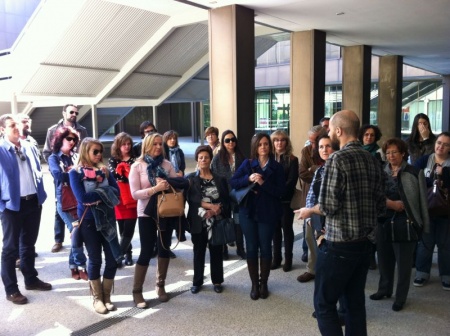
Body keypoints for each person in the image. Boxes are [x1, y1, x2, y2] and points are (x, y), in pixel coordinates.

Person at [296, 110, 386, 335]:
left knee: (324, 304)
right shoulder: (373, 159)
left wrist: (309, 210)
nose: (328, 133)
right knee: (354, 303)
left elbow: (327, 206)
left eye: (329, 130)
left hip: (339, 245)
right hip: (365, 244)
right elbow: (381, 205)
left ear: (338, 131)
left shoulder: (337, 159)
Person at [370, 138, 429, 312]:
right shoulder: (382, 171)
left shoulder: (413, 172)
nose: (391, 156)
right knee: (384, 259)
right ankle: (384, 289)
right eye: (388, 153)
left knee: (403, 264)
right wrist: (389, 204)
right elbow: (375, 194)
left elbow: (422, 202)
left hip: (406, 221)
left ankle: (400, 297)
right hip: (383, 220)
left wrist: (424, 226)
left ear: (403, 153)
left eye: (394, 152)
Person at [129, 132, 187, 308]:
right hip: (146, 213)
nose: (157, 147)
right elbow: (135, 194)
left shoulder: (167, 164)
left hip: (165, 211)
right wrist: (155, 188)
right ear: (147, 145)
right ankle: (137, 292)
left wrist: (169, 183)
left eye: (160, 144)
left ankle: (160, 286)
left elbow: (179, 184)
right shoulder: (137, 166)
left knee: (164, 248)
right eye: (154, 144)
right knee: (146, 250)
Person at [0, 114, 51, 305]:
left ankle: (31, 279)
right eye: (11, 125)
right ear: (2, 130)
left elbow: (37, 173)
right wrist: (2, 206)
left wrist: (41, 197)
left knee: (28, 244)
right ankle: (11, 289)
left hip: (32, 203)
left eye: (17, 124)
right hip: (12, 206)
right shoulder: (1, 150)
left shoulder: (29, 146)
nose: (17, 128)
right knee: (10, 249)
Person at [230, 133, 285, 300]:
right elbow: (233, 182)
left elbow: (280, 192)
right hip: (248, 212)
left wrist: (263, 183)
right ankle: (254, 284)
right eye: (260, 144)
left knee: (266, 247)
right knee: (252, 248)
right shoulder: (248, 164)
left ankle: (264, 283)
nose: (263, 147)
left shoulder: (277, 167)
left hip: (267, 212)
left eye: (266, 144)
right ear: (255, 146)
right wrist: (248, 178)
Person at [69, 138, 121, 314]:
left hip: (108, 219)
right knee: (95, 259)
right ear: (85, 152)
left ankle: (107, 297)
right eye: (95, 151)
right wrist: (105, 194)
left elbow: (117, 193)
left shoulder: (105, 170)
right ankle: (97, 298)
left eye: (101, 151)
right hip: (89, 221)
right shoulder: (75, 173)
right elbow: (83, 198)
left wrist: (99, 195)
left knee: (113, 258)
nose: (99, 155)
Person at [186, 145, 231, 294]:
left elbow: (226, 199)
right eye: (201, 157)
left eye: (206, 157)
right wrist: (209, 206)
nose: (203, 159)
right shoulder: (191, 179)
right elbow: (192, 199)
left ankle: (217, 281)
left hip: (216, 221)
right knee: (198, 251)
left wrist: (217, 209)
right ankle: (197, 281)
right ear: (197, 160)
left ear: (210, 159)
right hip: (198, 221)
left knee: (216, 251)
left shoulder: (219, 179)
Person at [43, 104, 88, 254]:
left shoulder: (82, 129)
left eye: (76, 112)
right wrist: (61, 170)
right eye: (71, 112)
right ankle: (59, 240)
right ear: (64, 113)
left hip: (75, 179)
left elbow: (83, 152)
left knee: (78, 217)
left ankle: (77, 261)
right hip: (61, 181)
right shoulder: (52, 130)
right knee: (62, 209)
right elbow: (48, 153)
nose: (74, 114)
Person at [48, 126, 88, 280]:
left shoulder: (76, 156)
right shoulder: (54, 158)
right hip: (64, 202)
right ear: (60, 139)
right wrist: (74, 172)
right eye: (69, 139)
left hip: (78, 199)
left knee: (76, 233)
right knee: (76, 232)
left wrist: (76, 170)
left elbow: (84, 172)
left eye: (74, 139)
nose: (72, 142)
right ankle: (81, 265)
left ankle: (73, 266)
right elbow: (58, 175)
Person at [413, 132, 450, 290]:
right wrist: (433, 179)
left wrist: (445, 174)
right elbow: (414, 177)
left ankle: (446, 275)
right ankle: (422, 273)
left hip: (446, 211)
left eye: (446, 144)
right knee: (425, 243)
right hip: (426, 209)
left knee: (445, 244)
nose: (441, 146)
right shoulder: (424, 160)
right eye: (439, 142)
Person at [297, 125, 327, 282]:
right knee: (309, 236)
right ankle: (312, 269)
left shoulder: (330, 151)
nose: (314, 145)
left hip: (327, 203)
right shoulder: (306, 151)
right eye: (311, 141)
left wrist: (313, 168)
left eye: (316, 141)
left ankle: (324, 269)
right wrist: (317, 171)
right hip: (311, 198)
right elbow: (302, 173)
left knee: (325, 238)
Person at [211, 130, 247, 259]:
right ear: (223, 142)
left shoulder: (242, 157)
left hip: (238, 196)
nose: (230, 142)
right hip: (223, 196)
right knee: (223, 222)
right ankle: (224, 248)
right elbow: (214, 177)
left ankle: (240, 248)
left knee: (238, 223)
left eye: (232, 139)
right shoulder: (217, 158)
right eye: (227, 140)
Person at [270, 130, 298, 272]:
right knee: (275, 231)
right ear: (272, 142)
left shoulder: (292, 159)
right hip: (272, 201)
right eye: (276, 140)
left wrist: (278, 192)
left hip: (286, 201)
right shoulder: (268, 158)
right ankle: (276, 258)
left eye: (282, 140)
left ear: (286, 142)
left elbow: (292, 181)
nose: (279, 142)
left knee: (286, 230)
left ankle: (288, 259)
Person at [108, 132, 138, 267]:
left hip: (132, 197)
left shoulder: (135, 159)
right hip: (118, 198)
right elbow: (115, 177)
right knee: (121, 229)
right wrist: (124, 173)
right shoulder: (113, 159)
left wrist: (123, 174)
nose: (126, 146)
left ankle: (117, 256)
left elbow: (133, 177)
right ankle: (128, 253)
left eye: (128, 144)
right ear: (118, 146)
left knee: (129, 230)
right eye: (123, 144)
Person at [359, 124, 384, 270]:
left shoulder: (379, 152)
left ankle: (371, 257)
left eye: (372, 135)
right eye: (366, 134)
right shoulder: (358, 150)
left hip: (373, 192)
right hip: (360, 192)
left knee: (372, 228)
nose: (369, 137)